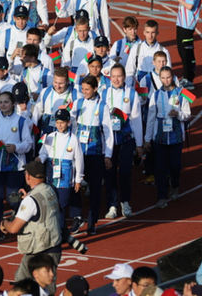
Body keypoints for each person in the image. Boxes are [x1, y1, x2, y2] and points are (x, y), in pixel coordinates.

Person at [1, 161, 62, 285]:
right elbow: (42, 203)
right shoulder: (50, 189)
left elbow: (13, 228)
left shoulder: (30, 201)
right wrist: (29, 197)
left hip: (39, 248)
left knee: (22, 283)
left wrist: (4, 223)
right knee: (47, 286)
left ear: (28, 176)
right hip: (54, 246)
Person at [0, 91, 33, 242]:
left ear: (13, 103)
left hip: (15, 166)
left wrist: (16, 147)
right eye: (1, 102)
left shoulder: (21, 121)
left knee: (13, 199)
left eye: (6, 102)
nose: (3, 105)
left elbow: (28, 143)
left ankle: (20, 225)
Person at [70, 75, 113, 235]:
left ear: (95, 89)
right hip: (79, 153)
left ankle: (92, 221)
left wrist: (108, 154)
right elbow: (72, 125)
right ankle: (77, 216)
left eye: (87, 89)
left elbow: (108, 132)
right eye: (82, 89)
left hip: (96, 153)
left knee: (95, 189)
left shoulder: (103, 107)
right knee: (75, 185)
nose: (84, 92)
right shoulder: (78, 103)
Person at [144, 66, 191, 208]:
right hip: (159, 137)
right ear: (160, 79)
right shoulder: (156, 95)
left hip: (176, 136)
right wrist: (147, 139)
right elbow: (151, 117)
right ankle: (161, 196)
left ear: (173, 77)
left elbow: (188, 114)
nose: (166, 80)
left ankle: (175, 184)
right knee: (160, 167)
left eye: (168, 77)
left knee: (175, 166)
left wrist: (178, 114)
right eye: (163, 78)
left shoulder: (183, 93)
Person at [103, 65, 143, 219]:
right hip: (109, 141)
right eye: (113, 76)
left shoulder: (132, 94)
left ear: (124, 77)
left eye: (119, 76)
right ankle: (112, 206)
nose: (116, 79)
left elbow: (136, 120)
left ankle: (125, 202)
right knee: (110, 173)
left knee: (125, 171)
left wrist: (139, 144)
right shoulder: (104, 93)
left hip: (126, 139)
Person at [37, 108, 83, 219]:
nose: (59, 125)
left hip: (65, 179)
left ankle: (60, 232)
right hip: (51, 177)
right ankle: (59, 231)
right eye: (57, 122)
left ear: (68, 122)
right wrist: (39, 159)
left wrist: (78, 180)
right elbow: (44, 153)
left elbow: (79, 160)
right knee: (52, 204)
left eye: (62, 122)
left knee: (61, 205)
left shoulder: (74, 139)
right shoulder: (50, 136)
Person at [168, 0, 202, 89]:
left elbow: (190, 6)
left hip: (188, 24)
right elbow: (185, 1)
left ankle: (189, 79)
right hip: (181, 22)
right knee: (182, 51)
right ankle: (185, 77)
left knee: (187, 52)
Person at [124, 20, 172, 88]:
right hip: (141, 88)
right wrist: (129, 88)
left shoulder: (164, 51)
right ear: (144, 33)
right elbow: (129, 71)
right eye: (148, 32)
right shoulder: (136, 49)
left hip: (158, 88)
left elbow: (169, 73)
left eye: (153, 32)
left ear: (157, 33)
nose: (150, 35)